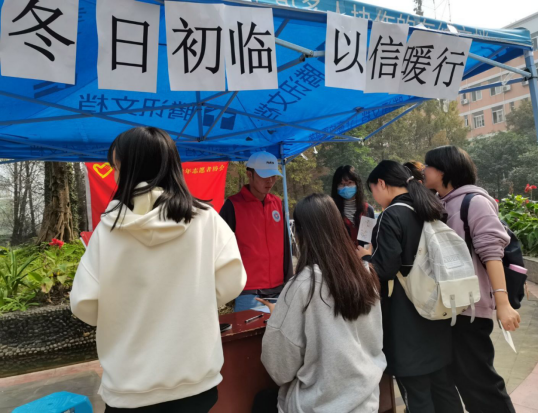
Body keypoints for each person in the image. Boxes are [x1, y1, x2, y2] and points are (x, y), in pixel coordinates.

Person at [70, 127, 247, 412]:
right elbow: (232, 282)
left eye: (116, 167)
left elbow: (84, 305)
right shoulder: (206, 219)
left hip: (129, 389)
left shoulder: (108, 230)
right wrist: (194, 299)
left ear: (130, 170)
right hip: (195, 381)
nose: (115, 174)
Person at [257, 194, 386, 413]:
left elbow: (279, 367)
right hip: (367, 401)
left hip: (316, 404)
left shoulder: (303, 286)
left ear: (301, 234)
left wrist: (280, 316)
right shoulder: (366, 274)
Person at [358, 160, 463, 413]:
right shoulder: (428, 207)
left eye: (373, 190)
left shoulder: (391, 215)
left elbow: (385, 269)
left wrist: (365, 257)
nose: (374, 197)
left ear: (381, 183)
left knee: (417, 395)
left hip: (406, 319)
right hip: (438, 311)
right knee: (444, 388)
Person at [424, 145, 519, 413]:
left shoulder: (474, 202)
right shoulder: (441, 203)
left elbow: (492, 253)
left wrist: (502, 304)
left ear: (444, 170)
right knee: (464, 380)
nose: (424, 170)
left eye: (428, 166)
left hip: (472, 309)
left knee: (480, 383)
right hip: (451, 307)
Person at [220, 152, 293, 312]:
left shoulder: (278, 203)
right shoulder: (232, 205)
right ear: (249, 174)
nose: (270, 181)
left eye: (273, 176)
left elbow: (286, 245)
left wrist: (289, 281)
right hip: (248, 291)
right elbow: (221, 248)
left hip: (279, 288)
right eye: (264, 175)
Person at [331, 165, 375, 245]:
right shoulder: (331, 210)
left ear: (357, 184)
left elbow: (367, 240)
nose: (346, 187)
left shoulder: (367, 210)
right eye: (341, 184)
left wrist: (365, 252)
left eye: (350, 183)